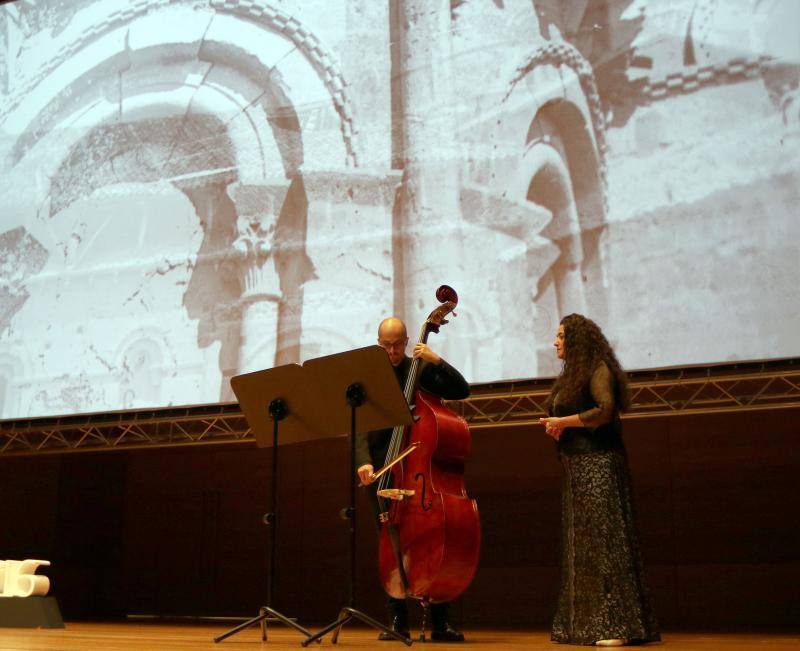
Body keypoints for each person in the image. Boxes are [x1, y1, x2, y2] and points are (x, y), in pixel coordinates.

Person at [538, 314, 660, 647]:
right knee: (585, 549)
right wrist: (558, 427)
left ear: (576, 339)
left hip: (600, 468)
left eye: (561, 336)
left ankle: (617, 626)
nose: (555, 342)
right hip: (577, 469)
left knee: (606, 546)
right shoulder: (572, 376)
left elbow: (605, 410)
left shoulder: (598, 369)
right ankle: (586, 625)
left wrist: (561, 420)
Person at [356, 316, 469, 643]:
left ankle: (440, 622)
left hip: (419, 472)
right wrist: (363, 462)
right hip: (382, 469)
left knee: (431, 543)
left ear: (406, 341)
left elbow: (462, 390)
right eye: (385, 345)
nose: (392, 351)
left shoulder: (421, 369)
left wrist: (439, 361)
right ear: (379, 342)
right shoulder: (369, 377)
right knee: (390, 546)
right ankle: (396, 621)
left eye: (397, 344)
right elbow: (359, 426)